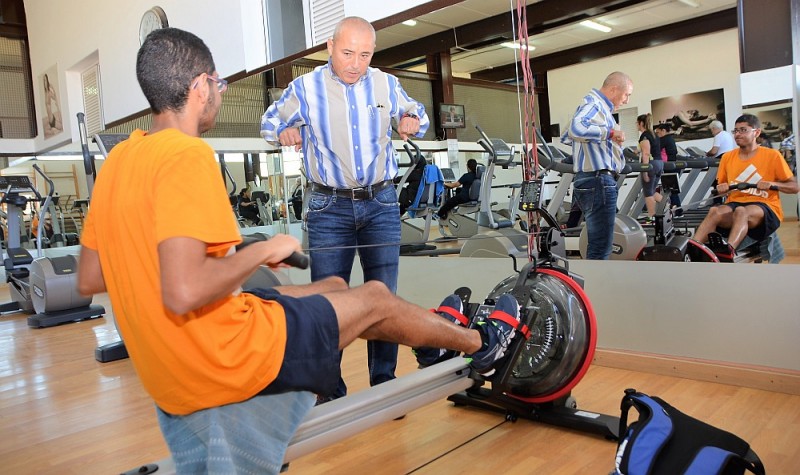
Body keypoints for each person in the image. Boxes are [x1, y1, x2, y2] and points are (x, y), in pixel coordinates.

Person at [76, 27, 520, 474]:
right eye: (219, 83)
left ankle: (431, 336)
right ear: (199, 87)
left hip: (172, 361)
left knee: (330, 285)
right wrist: (261, 250)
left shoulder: (120, 160)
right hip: (222, 356)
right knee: (375, 298)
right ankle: (483, 344)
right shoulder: (187, 155)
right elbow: (184, 292)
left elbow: (90, 279)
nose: (220, 94)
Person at [260, 17, 431, 402]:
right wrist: (283, 132)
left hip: (381, 203)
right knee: (328, 301)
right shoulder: (304, 88)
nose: (356, 63)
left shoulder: (386, 83)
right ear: (330, 47)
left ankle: (384, 383)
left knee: (383, 296)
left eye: (365, 54)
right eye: (348, 53)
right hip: (328, 207)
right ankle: (329, 390)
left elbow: (419, 114)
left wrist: (411, 119)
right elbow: (269, 122)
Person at [692, 114, 798, 252]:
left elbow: (794, 187)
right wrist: (722, 188)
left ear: (757, 132)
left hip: (766, 206)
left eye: (743, 130)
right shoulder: (727, 157)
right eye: (735, 131)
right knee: (714, 211)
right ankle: (693, 248)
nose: (738, 134)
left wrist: (772, 184)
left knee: (742, 211)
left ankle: (728, 251)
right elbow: (722, 188)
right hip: (735, 203)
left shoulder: (772, 155)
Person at [562, 71, 632, 260]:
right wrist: (609, 134)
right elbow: (575, 129)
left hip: (595, 179)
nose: (626, 100)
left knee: (598, 245)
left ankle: (593, 285)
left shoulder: (596, 107)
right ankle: (595, 287)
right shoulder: (594, 104)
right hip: (597, 179)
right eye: (627, 95)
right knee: (601, 248)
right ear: (614, 89)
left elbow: (565, 136)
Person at [637, 113, 662, 219]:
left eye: (637, 123)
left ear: (641, 123)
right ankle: (669, 205)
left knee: (648, 193)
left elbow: (646, 153)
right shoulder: (653, 134)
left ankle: (652, 217)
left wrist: (645, 171)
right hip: (659, 163)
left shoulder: (644, 135)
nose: (636, 125)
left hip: (651, 165)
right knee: (652, 190)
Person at [655, 124, 682, 213]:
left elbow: (654, 150)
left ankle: (677, 211)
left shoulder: (664, 139)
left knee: (670, 190)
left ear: (663, 131)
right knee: (672, 190)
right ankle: (677, 211)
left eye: (658, 132)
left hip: (668, 167)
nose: (657, 135)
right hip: (672, 166)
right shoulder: (670, 138)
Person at [42, 73, 63, 137]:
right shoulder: (45, 93)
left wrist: (53, 88)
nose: (45, 82)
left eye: (45, 80)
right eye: (44, 81)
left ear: (47, 81)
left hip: (52, 119)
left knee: (62, 127)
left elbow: (55, 98)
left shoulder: (49, 93)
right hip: (50, 119)